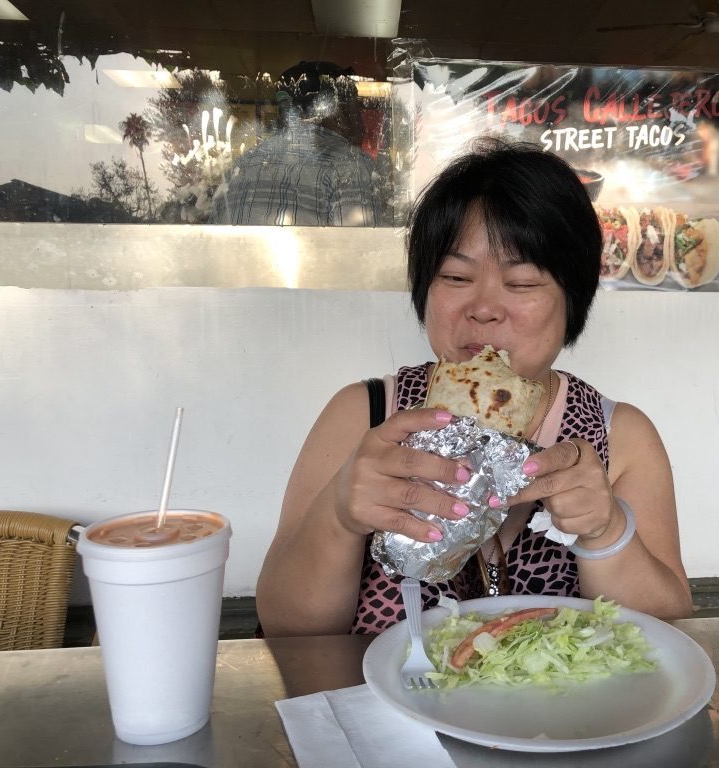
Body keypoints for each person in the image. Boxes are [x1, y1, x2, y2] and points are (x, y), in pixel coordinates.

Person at [256, 138, 691, 636]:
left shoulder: (620, 437)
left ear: (573, 299)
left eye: (523, 282)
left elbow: (671, 628)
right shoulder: (366, 415)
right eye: (455, 276)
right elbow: (285, 627)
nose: (483, 307)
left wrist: (607, 532)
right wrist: (339, 516)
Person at [212, 61, 385, 227]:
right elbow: (363, 250)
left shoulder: (246, 161)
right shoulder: (350, 165)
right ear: (339, 111)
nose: (362, 126)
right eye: (357, 110)